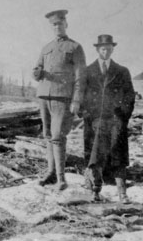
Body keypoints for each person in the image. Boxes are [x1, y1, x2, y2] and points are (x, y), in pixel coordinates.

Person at [33, 10, 86, 191]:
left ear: (66, 25)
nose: (57, 27)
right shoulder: (46, 47)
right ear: (51, 27)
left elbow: (80, 76)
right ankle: (50, 173)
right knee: (48, 135)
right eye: (54, 25)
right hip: (44, 96)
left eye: (60, 24)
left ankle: (61, 179)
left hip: (63, 97)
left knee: (58, 136)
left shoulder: (75, 47)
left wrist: (77, 100)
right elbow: (38, 69)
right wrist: (36, 72)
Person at [81, 34, 135, 202]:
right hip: (95, 120)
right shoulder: (88, 71)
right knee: (95, 156)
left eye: (109, 48)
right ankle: (95, 191)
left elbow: (129, 96)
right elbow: (80, 94)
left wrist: (123, 116)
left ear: (113, 49)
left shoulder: (122, 71)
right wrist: (85, 114)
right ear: (98, 50)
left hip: (115, 119)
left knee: (118, 156)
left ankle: (122, 194)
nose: (106, 51)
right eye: (103, 48)